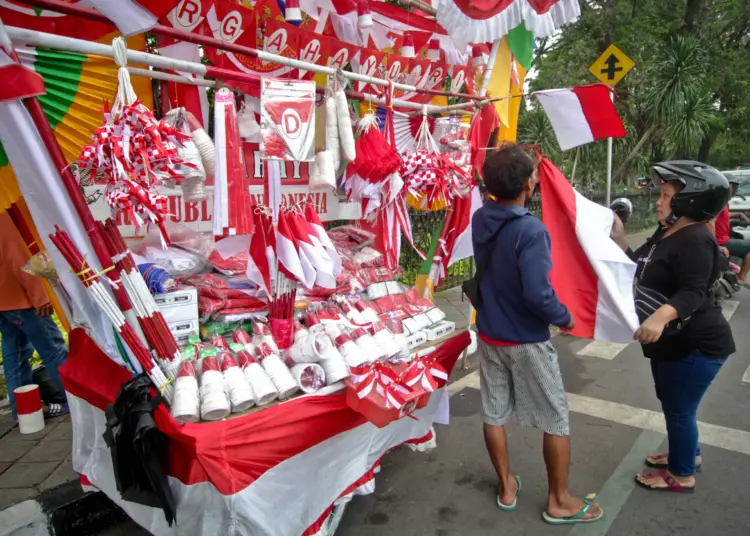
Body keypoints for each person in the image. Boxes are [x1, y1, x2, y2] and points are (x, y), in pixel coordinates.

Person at [472, 144, 602, 525]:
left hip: (490, 334)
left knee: (493, 413)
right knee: (556, 419)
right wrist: (564, 317)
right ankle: (559, 500)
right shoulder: (530, 230)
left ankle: (507, 485)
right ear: (528, 185)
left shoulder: (482, 218)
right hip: (526, 340)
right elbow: (537, 293)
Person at [610, 161, 734, 492]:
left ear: (688, 202)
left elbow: (694, 291)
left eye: (666, 195)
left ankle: (681, 474)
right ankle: (687, 454)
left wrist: (661, 316)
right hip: (674, 343)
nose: (658, 200)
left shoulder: (695, 239)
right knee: (675, 405)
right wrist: (620, 239)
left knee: (679, 410)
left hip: (696, 343)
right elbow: (640, 266)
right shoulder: (668, 232)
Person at [0, 212, 69, 420]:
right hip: (20, 297)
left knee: (15, 354)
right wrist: (38, 294)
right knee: (53, 349)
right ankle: (80, 403)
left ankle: (23, 412)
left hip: (4, 300)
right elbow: (15, 255)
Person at [715, 178, 750, 285]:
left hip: (724, 239)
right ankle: (742, 276)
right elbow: (710, 220)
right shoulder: (718, 202)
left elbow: (724, 216)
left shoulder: (724, 202)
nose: (733, 190)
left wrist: (738, 214)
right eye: (732, 187)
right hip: (721, 242)